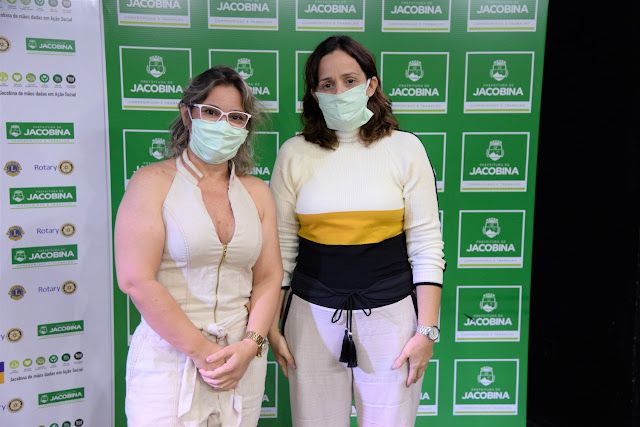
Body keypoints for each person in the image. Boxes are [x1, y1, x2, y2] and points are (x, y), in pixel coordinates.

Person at [267, 35, 446, 427]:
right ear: (314, 94)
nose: (339, 92)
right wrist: (271, 327)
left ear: (371, 84)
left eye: (349, 80)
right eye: (327, 84)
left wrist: (426, 332)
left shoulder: (406, 150)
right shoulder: (293, 154)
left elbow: (426, 245)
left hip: (393, 320)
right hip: (310, 319)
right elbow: (280, 251)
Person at [114, 65, 283, 427]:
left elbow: (269, 277)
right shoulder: (151, 182)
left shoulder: (257, 193)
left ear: (246, 127)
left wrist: (251, 345)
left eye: (235, 117)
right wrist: (205, 353)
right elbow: (135, 280)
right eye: (211, 112)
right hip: (169, 363)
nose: (223, 124)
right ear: (187, 114)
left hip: (241, 364)